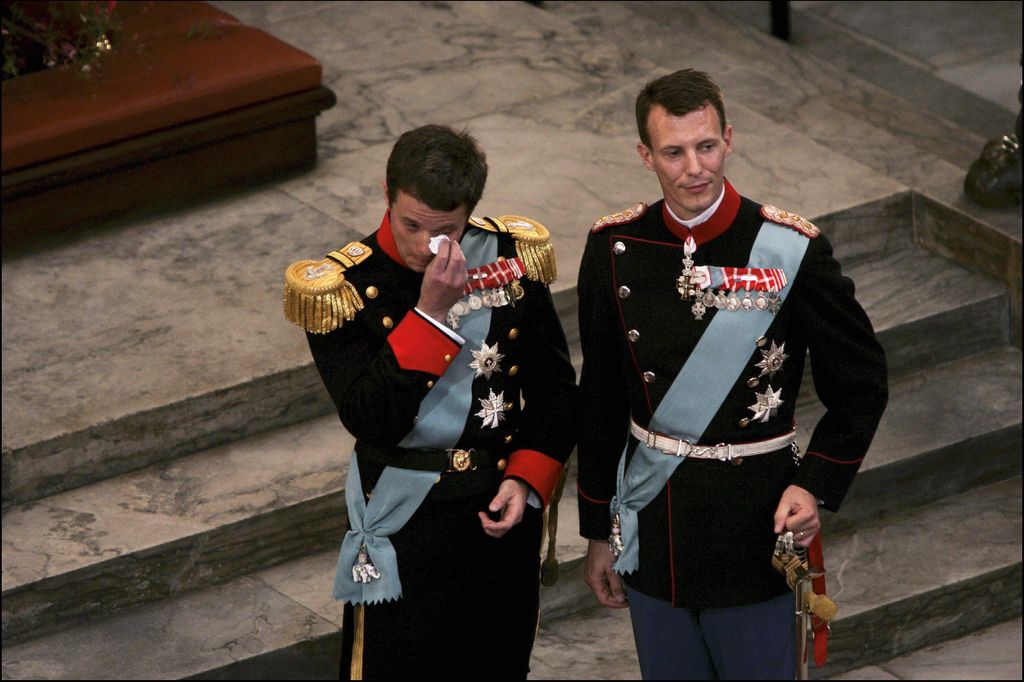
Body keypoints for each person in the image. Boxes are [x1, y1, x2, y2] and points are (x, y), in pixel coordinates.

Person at [576, 69, 888, 679]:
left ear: (729, 138)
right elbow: (601, 398)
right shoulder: (614, 248)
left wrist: (815, 485)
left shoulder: (790, 248)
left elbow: (862, 383)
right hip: (653, 520)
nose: (695, 167)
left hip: (756, 522)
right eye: (674, 151)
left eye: (707, 145)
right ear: (646, 156)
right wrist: (596, 530)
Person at [284, 124, 577, 679]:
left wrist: (526, 478)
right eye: (410, 224)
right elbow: (372, 418)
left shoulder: (512, 257)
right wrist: (429, 315)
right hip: (406, 523)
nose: (424, 246)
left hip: (499, 509)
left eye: (445, 231)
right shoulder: (342, 288)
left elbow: (557, 392)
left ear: (469, 214)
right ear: (387, 193)